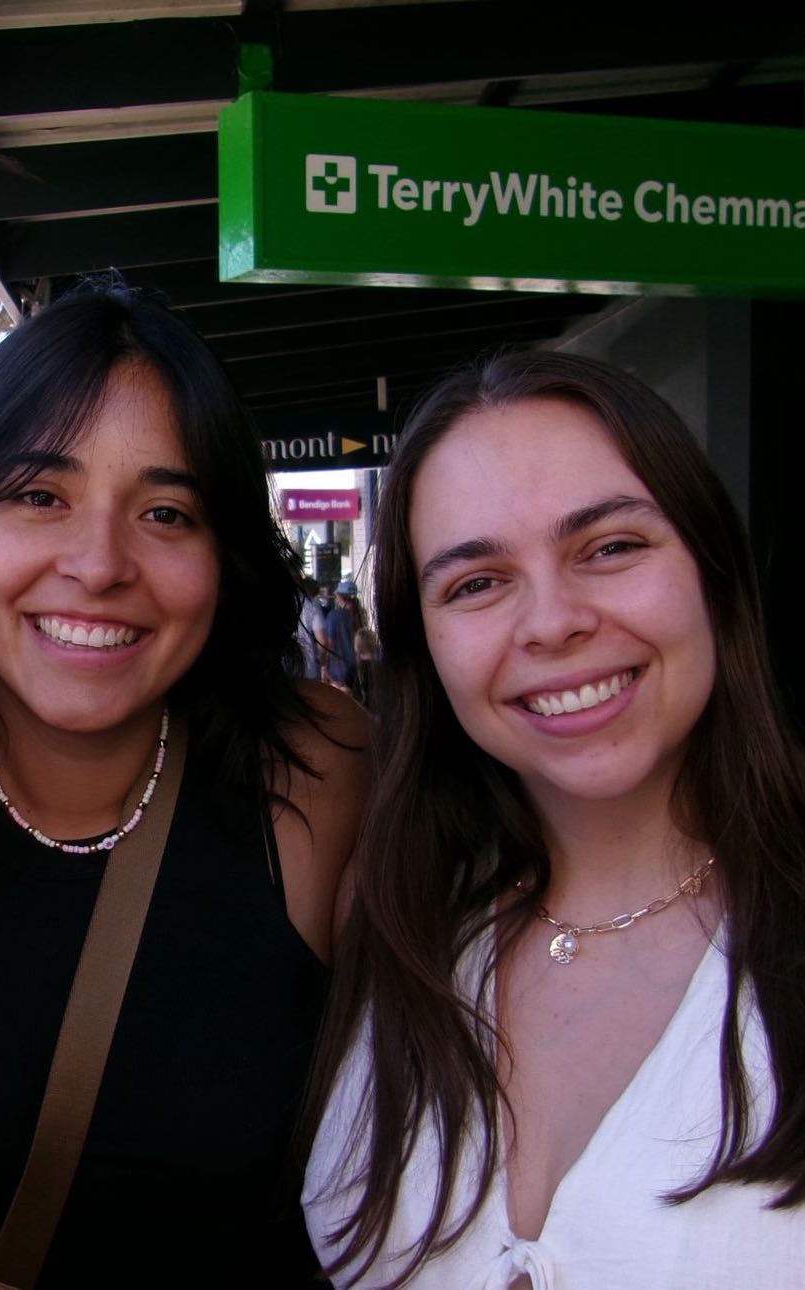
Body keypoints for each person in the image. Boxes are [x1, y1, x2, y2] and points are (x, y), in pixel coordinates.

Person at [0, 285, 370, 1288]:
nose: (98, 565)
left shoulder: (317, 776)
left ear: (225, 559)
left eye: (166, 512)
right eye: (40, 496)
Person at [303, 351, 805, 1288]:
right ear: (425, 650)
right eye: (476, 582)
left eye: (610, 546)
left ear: (712, 570)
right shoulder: (393, 920)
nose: (552, 621)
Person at [322, 578, 360, 690]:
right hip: (358, 669)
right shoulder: (360, 614)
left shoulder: (334, 616)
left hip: (338, 672)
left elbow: (328, 644)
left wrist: (324, 667)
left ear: (339, 596)